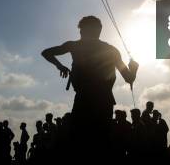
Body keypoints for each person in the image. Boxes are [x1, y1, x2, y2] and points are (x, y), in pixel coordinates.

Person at [41, 16, 138, 155]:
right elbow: (129, 78)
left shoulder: (74, 45)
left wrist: (60, 66)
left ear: (85, 31)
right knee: (101, 143)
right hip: (104, 102)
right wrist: (134, 68)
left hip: (83, 101)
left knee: (80, 142)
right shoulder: (111, 50)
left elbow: (46, 53)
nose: (80, 34)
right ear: (99, 31)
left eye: (81, 31)